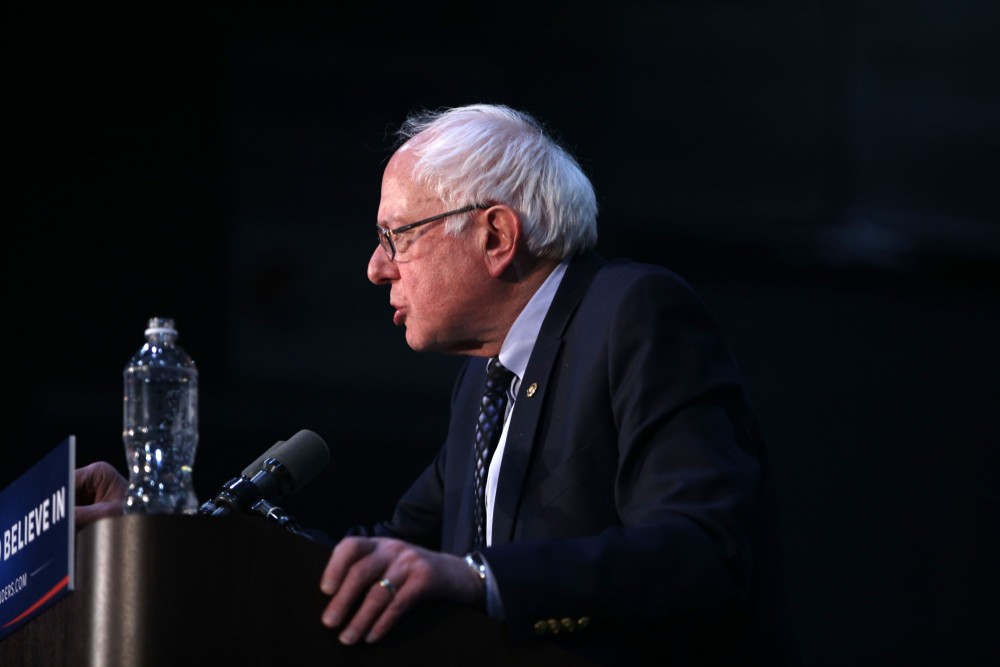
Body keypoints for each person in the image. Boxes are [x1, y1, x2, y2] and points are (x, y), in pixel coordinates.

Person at [76, 104, 796, 666]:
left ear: (495, 236)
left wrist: (480, 580)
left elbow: (701, 552)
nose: (375, 267)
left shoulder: (634, 312)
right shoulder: (482, 381)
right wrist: (165, 534)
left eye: (397, 236)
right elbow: (377, 563)